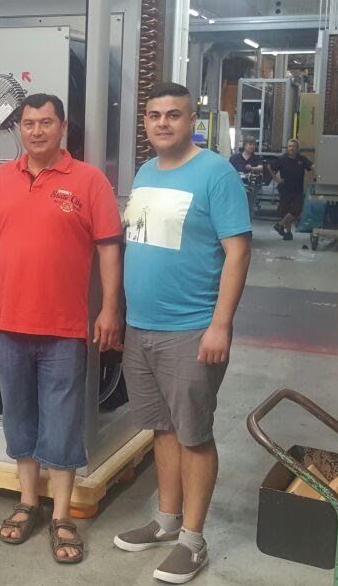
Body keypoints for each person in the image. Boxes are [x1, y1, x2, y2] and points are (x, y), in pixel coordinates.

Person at [0, 94, 123, 565]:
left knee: (63, 421)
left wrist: (110, 309)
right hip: (9, 325)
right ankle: (28, 502)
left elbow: (110, 249)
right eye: (29, 124)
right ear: (20, 129)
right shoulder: (0, 180)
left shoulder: (89, 181)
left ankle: (62, 515)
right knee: (18, 416)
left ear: (62, 127)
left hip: (65, 330)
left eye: (46, 122)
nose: (37, 131)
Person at [114, 82, 252, 584]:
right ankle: (167, 521)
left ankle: (193, 541)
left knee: (194, 435)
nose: (162, 123)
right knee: (163, 429)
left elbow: (238, 252)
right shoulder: (146, 172)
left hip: (192, 329)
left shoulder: (215, 173)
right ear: (145, 122)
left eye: (173, 115)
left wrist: (220, 325)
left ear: (192, 120)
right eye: (154, 115)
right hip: (141, 328)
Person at [269, 139, 314, 241]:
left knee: (297, 210)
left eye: (293, 146)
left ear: (297, 148)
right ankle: (288, 233)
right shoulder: (282, 159)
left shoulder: (301, 159)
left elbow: (312, 166)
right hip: (284, 189)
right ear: (287, 148)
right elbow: (269, 167)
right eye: (289, 146)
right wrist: (276, 179)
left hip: (297, 189)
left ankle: (280, 225)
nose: (291, 148)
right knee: (286, 211)